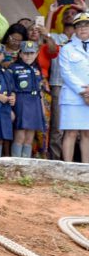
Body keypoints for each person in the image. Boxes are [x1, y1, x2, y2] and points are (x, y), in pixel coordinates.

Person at [56, 11, 89, 163]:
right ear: (75, 29)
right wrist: (84, 91)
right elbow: (66, 73)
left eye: (86, 25)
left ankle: (85, 168)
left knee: (87, 133)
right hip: (73, 96)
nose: (83, 28)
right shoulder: (66, 49)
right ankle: (67, 167)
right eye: (79, 26)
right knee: (70, 132)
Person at [10, 40, 47, 159]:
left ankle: (25, 165)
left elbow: (39, 90)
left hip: (35, 101)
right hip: (21, 100)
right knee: (20, 135)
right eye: (25, 53)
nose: (28, 56)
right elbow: (10, 88)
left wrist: (42, 108)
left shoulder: (37, 69)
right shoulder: (13, 68)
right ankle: (16, 163)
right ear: (20, 54)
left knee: (29, 137)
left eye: (31, 53)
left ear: (36, 54)